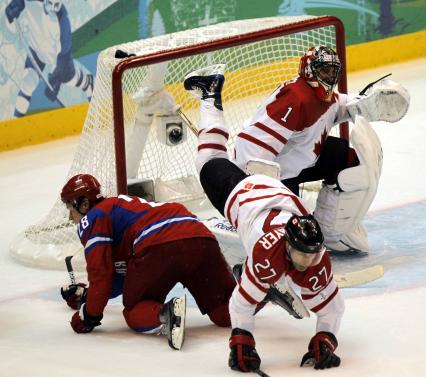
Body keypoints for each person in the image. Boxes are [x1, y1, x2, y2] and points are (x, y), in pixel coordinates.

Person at [184, 65, 345, 371]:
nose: (309, 261)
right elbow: (241, 303)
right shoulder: (266, 253)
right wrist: (241, 341)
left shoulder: (315, 254)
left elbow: (334, 308)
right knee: (209, 159)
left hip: (276, 187)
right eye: (302, 255)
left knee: (271, 278)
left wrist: (326, 338)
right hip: (242, 194)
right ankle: (209, 94)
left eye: (312, 255)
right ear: (286, 245)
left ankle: (210, 96)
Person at [228, 46, 408, 255]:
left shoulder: (324, 97)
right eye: (324, 71)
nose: (330, 76)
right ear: (309, 70)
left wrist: (367, 104)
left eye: (333, 71)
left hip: (303, 161)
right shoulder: (295, 99)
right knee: (288, 240)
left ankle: (330, 227)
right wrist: (256, 189)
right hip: (280, 175)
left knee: (350, 159)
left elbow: (341, 105)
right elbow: (254, 143)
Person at [59, 173, 236, 350]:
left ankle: (166, 314)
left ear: (84, 204)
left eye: (70, 207)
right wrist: (87, 297)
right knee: (226, 312)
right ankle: (256, 283)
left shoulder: (93, 217)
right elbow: (125, 280)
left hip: (159, 244)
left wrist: (88, 314)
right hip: (199, 237)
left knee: (134, 309)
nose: (70, 217)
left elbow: (101, 276)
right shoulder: (122, 210)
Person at [5, 0, 93, 117]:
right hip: (36, 50)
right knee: (27, 82)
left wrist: (56, 76)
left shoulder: (62, 22)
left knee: (69, 79)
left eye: (56, 5)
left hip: (55, 58)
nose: (52, 8)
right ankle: (15, 123)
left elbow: (63, 55)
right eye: (50, 3)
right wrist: (11, 11)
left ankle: (87, 82)